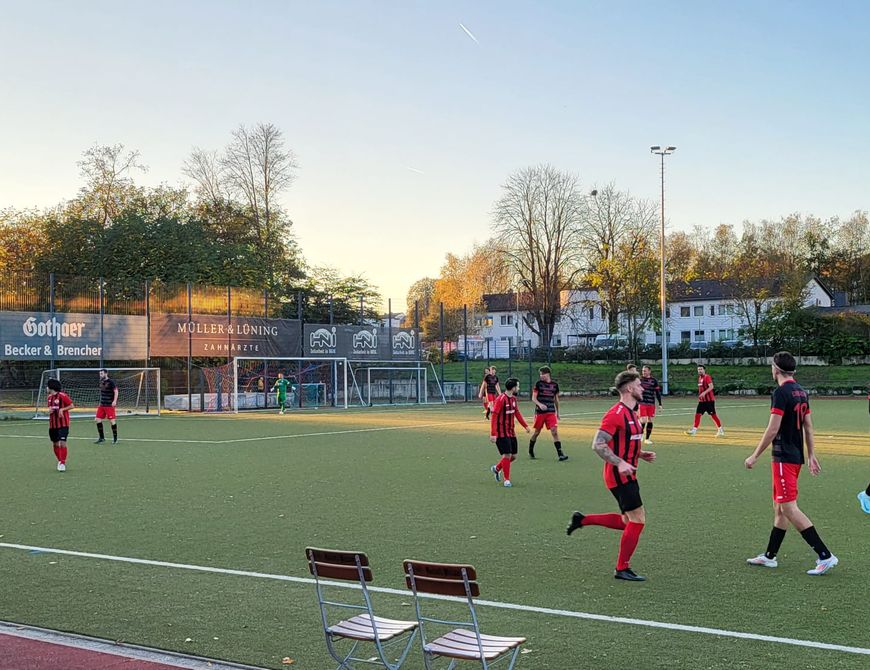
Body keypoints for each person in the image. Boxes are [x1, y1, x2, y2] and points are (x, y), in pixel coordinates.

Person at [744, 351, 838, 575]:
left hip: (783, 456)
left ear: (775, 368)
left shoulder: (781, 392)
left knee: (788, 507)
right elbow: (808, 426)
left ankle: (825, 555)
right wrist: (811, 454)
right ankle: (769, 557)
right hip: (795, 457)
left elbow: (773, 428)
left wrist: (754, 455)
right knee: (780, 508)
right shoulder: (801, 391)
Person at [566, 370, 655, 581]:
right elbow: (597, 444)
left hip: (628, 474)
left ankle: (582, 520)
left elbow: (625, 442)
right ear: (629, 389)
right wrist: (620, 462)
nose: (642, 388)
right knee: (638, 520)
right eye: (639, 385)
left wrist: (639, 454)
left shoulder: (633, 413)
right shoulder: (615, 414)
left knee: (628, 521)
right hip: (618, 476)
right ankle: (621, 568)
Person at [489, 378, 530, 488]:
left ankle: (497, 468)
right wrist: (493, 433)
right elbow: (494, 416)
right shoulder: (501, 399)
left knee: (514, 456)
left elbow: (517, 413)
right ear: (513, 388)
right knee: (507, 455)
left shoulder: (513, 399)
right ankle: (506, 480)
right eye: (518, 386)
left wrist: (525, 425)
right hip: (501, 432)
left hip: (511, 431)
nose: (519, 388)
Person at [528, 366, 567, 461]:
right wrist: (539, 404)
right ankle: (531, 449)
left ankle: (560, 454)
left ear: (548, 374)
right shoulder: (538, 384)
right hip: (540, 412)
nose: (541, 376)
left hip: (551, 411)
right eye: (540, 374)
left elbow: (556, 400)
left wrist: (558, 413)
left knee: (554, 431)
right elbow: (533, 398)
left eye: (542, 374)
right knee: (537, 432)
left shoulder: (555, 385)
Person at [685, 364, 724, 437]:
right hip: (702, 401)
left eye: (701, 369)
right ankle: (694, 430)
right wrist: (700, 395)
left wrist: (704, 393)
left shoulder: (707, 377)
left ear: (704, 370)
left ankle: (720, 430)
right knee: (697, 415)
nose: (699, 371)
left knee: (713, 415)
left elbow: (711, 387)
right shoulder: (699, 378)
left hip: (709, 401)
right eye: (698, 369)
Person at [47, 379, 74, 472]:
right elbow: (50, 408)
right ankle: (59, 460)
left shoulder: (63, 396)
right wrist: (50, 410)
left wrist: (62, 409)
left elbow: (71, 405)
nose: (46, 388)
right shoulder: (49, 398)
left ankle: (62, 463)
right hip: (53, 425)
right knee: (55, 443)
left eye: (47, 386)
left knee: (62, 443)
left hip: (63, 424)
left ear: (51, 387)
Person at [639, 366, 662, 445]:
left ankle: (647, 438)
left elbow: (657, 393)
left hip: (651, 403)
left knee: (650, 420)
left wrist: (660, 404)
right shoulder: (639, 380)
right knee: (643, 420)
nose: (643, 372)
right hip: (642, 403)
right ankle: (640, 434)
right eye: (642, 371)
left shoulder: (654, 380)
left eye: (645, 371)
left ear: (649, 371)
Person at [95, 368, 118, 444]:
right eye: (100, 374)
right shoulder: (101, 381)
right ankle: (101, 438)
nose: (100, 375)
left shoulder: (111, 382)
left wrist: (114, 401)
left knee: (112, 421)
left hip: (109, 405)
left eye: (101, 373)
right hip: (102, 405)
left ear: (106, 373)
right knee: (98, 419)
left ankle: (115, 439)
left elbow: (116, 391)